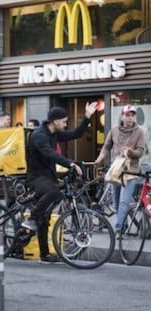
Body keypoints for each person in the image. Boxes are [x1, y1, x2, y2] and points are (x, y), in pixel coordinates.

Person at [21, 103, 98, 263]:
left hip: (48, 176)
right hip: (35, 178)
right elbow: (49, 154)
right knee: (54, 193)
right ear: (55, 121)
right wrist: (69, 163)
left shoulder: (54, 134)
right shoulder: (39, 135)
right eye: (64, 121)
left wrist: (87, 116)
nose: (65, 124)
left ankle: (44, 254)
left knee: (46, 215)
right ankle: (31, 219)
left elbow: (76, 134)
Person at [95, 105, 145, 234]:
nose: (129, 118)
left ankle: (118, 229)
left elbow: (140, 151)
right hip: (115, 171)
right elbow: (106, 147)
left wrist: (130, 152)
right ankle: (123, 226)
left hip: (130, 172)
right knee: (116, 202)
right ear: (122, 116)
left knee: (124, 201)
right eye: (127, 115)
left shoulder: (139, 132)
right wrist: (99, 159)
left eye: (132, 115)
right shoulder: (114, 131)